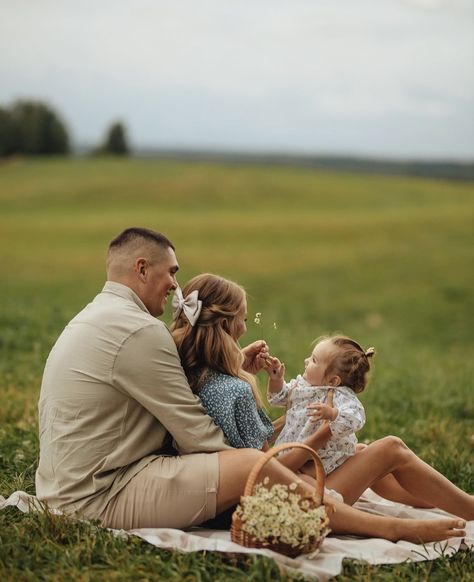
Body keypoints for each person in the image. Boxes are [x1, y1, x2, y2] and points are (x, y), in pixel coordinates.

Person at [35, 227, 469, 543]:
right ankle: (392, 528)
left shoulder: (99, 315)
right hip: (100, 493)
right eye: (171, 273)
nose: (174, 286)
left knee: (294, 457)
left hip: (72, 483)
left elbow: (184, 394)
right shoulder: (138, 331)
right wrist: (269, 467)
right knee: (249, 464)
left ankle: (458, 507)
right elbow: (198, 433)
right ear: (141, 267)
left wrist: (234, 379)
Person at [171, 272, 473, 535]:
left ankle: (444, 502)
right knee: (390, 448)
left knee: (361, 453)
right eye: (243, 320)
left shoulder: (202, 376)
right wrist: (320, 435)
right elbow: (268, 469)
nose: (246, 328)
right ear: (226, 324)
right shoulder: (234, 390)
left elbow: (254, 443)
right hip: (283, 500)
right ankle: (468, 508)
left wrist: (242, 367)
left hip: (249, 498)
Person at [265, 335, 373, 476]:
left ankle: (324, 492)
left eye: (314, 360)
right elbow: (278, 398)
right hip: (299, 451)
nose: (306, 361)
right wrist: (276, 379)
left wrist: (333, 413)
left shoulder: (340, 395)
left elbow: (355, 418)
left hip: (327, 457)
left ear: (333, 381)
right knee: (292, 474)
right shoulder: (303, 386)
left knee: (302, 479)